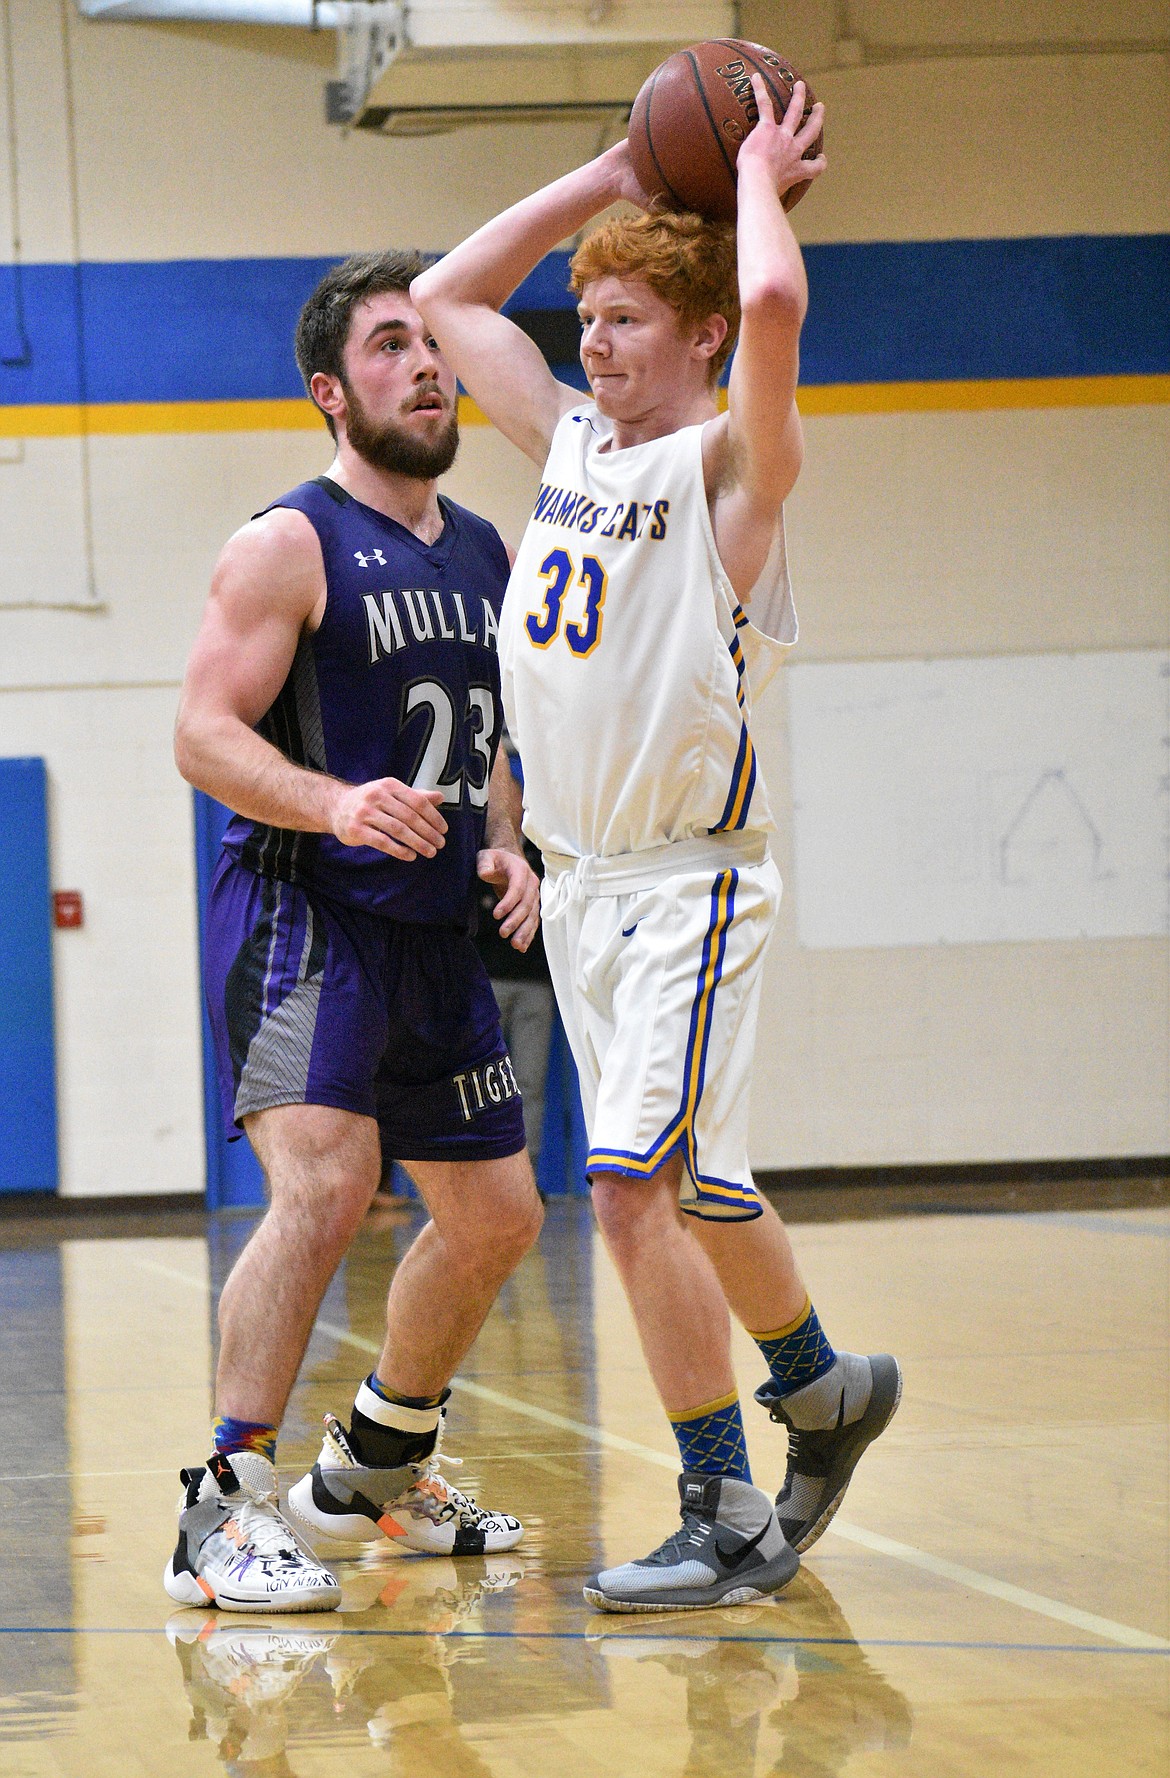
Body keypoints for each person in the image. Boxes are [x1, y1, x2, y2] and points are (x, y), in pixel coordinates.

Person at [412, 79, 901, 1613]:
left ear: (696, 344)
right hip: (579, 888)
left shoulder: (733, 478)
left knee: (625, 1187)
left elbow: (765, 289)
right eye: (589, 318)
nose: (597, 342)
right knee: (697, 1187)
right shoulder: (566, 444)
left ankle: (722, 1505)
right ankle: (821, 1390)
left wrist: (747, 173)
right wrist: (611, 171)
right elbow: (440, 298)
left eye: (627, 317)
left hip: (690, 881)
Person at [169, 251, 544, 1613]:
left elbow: (485, 734)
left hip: (432, 923)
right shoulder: (287, 541)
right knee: (327, 1184)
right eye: (394, 344)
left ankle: (379, 1465)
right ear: (332, 389)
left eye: (435, 341)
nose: (429, 364)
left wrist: (506, 843)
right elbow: (200, 733)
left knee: (499, 1216)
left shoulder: (486, 549)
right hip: (302, 906)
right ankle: (224, 1507)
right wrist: (333, 802)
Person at [472, 737, 555, 1176]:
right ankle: (486, 1174)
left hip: (536, 983)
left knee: (530, 1084)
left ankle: (527, 1174)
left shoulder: (543, 857)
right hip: (489, 982)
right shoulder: (481, 858)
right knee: (483, 1082)